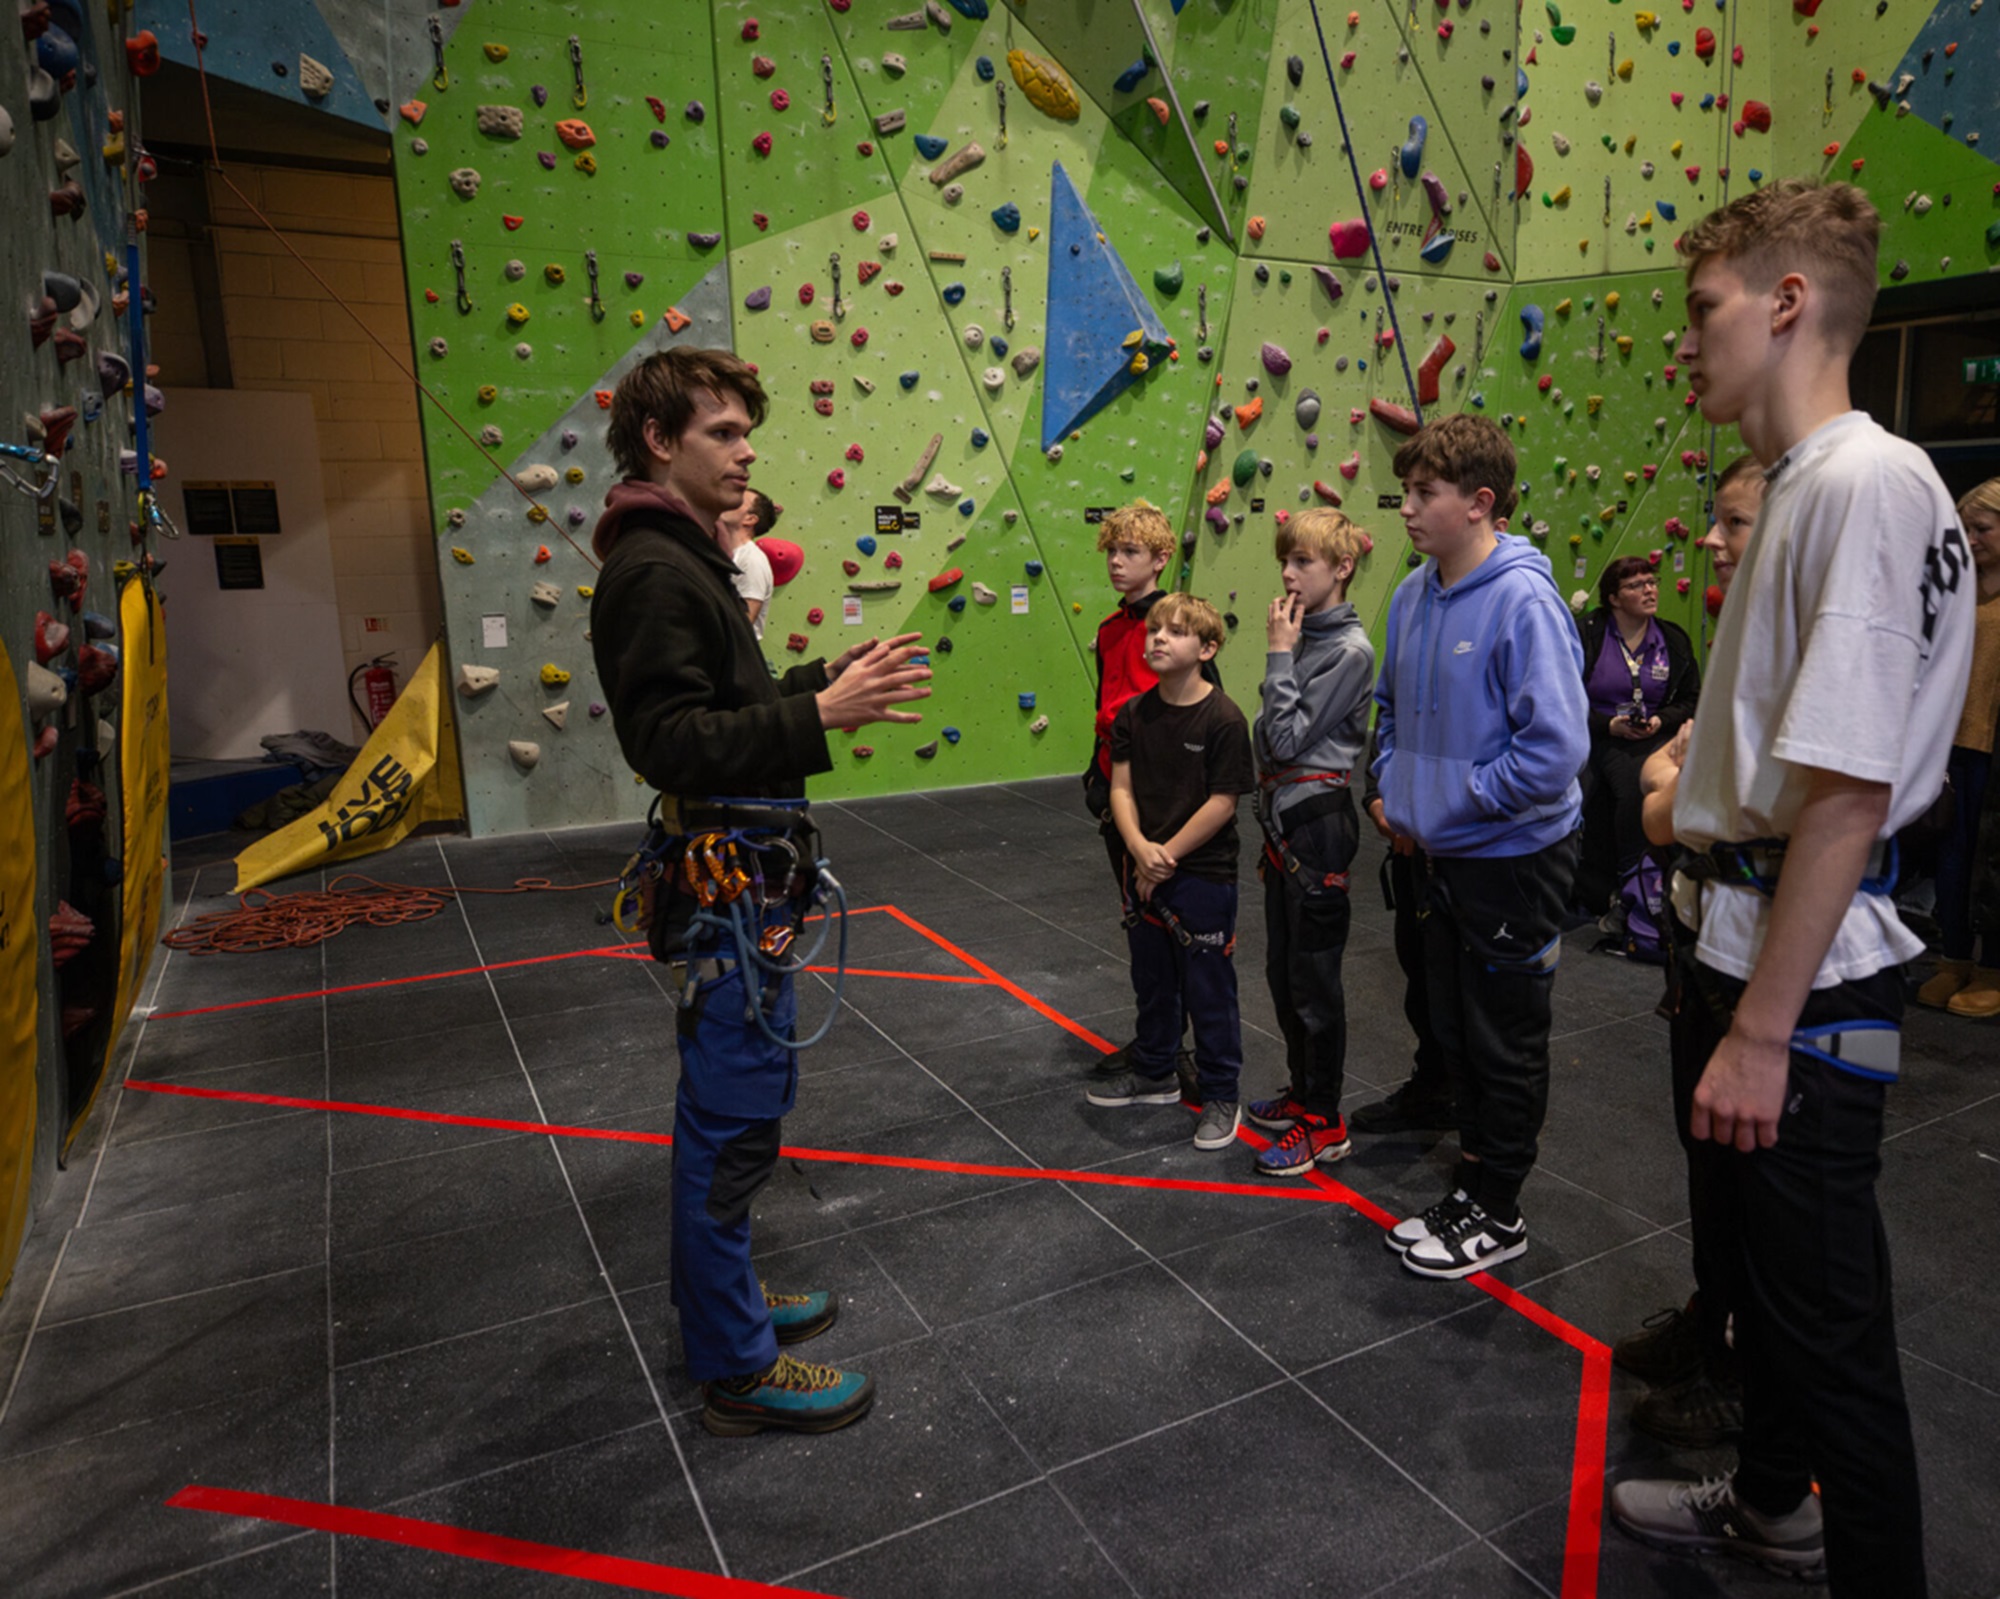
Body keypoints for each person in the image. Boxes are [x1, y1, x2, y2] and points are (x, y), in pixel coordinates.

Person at [1608, 179, 1972, 1595]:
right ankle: (1768, 1498)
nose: (1685, 342)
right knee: (1765, 1293)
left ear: (1787, 302)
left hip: (1803, 981)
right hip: (1745, 939)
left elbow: (1850, 790)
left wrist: (1761, 1029)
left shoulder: (1866, 483)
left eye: (1702, 310)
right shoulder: (1810, 493)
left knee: (1831, 1327)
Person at [589, 346, 930, 1436]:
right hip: (728, 891)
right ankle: (735, 1365)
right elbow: (669, 740)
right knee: (728, 1124)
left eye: (744, 432)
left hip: (749, 886)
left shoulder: (686, 559)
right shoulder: (653, 569)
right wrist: (816, 719)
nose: (746, 453)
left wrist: (812, 684)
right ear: (659, 440)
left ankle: (730, 1302)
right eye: (723, 433)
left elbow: (723, 704)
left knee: (743, 1117)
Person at [1372, 413, 1589, 1279]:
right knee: (1454, 1027)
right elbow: (1389, 711)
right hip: (1438, 856)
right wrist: (1394, 785)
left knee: (1504, 1041)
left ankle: (1498, 1209)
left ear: (1480, 502)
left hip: (1513, 860)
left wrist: (1458, 803)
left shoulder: (1524, 600)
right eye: (1407, 493)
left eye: (1425, 494)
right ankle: (1472, 1186)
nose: (1408, 510)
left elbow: (1555, 750)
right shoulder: (1411, 592)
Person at [1612, 453, 1766, 1456]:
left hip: (1752, 954)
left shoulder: (1788, 658)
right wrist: (1671, 780)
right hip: (1701, 946)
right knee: (1705, 1164)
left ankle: (1745, 1372)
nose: (1707, 541)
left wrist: (1668, 782)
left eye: (1732, 523)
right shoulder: (1744, 646)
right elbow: (1673, 783)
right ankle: (1710, 1319)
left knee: (1752, 1186)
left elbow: (1666, 809)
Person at [1085, 594, 1257, 1150]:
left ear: (1206, 649)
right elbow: (1120, 786)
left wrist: (1165, 857)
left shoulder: (1225, 718)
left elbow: (1223, 803)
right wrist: (1137, 848)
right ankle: (1156, 1070)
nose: (1158, 638)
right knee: (1153, 978)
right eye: (1155, 629)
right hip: (1147, 866)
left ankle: (1220, 1093)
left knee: (1208, 987)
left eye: (1176, 632)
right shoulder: (1134, 713)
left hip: (1200, 871)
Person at [1243, 509, 1375, 1175]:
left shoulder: (1347, 652)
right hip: (1286, 818)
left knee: (1314, 981)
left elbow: (1283, 738)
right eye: (1285, 562)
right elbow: (1267, 738)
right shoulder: (1302, 639)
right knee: (1284, 972)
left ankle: (1326, 1121)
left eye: (1304, 563)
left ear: (1342, 567)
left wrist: (1276, 656)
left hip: (1318, 822)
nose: (1289, 575)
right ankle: (1304, 1092)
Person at [1080, 502, 1193, 1087]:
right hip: (1117, 792)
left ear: (1160, 559)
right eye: (1113, 552)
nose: (1117, 563)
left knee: (1176, 926)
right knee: (1140, 922)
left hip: (1163, 800)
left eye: (1131, 552)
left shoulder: (1179, 626)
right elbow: (1108, 706)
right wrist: (1097, 777)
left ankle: (1181, 1047)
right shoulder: (1110, 628)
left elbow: (1195, 717)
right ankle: (1157, 1038)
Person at [1575, 556, 1700, 935]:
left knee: (1640, 785)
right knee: (1586, 787)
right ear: (1613, 597)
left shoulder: (1672, 638)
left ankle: (1637, 887)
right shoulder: (1588, 633)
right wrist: (1608, 724)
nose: (1650, 589)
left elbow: (1692, 698)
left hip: (1651, 736)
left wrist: (1663, 719)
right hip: (1593, 731)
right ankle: (1585, 889)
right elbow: (1561, 697)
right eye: (1636, 585)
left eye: (1652, 581)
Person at [1914, 477, 2000, 1017]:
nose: (1970, 538)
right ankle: (1952, 959)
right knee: (1950, 852)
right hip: (1954, 744)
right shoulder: (1957, 588)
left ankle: (1992, 967)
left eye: (1982, 528)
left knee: (1993, 862)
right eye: (1965, 528)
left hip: (1997, 751)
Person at [718, 487, 778, 641]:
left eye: (738, 500)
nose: (728, 500)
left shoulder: (752, 560)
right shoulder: (721, 554)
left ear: (750, 519)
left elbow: (743, 622)